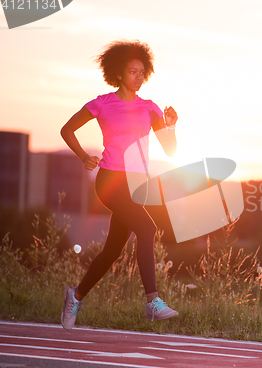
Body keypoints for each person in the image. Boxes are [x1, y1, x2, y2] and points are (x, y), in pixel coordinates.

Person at [60, 40, 179, 330]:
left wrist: (171, 125)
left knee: (113, 250)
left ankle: (75, 296)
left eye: (142, 72)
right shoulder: (102, 103)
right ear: (118, 73)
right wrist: (83, 157)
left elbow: (171, 150)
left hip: (137, 184)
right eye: (132, 71)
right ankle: (152, 301)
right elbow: (67, 129)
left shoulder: (150, 109)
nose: (138, 77)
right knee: (148, 228)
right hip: (110, 181)